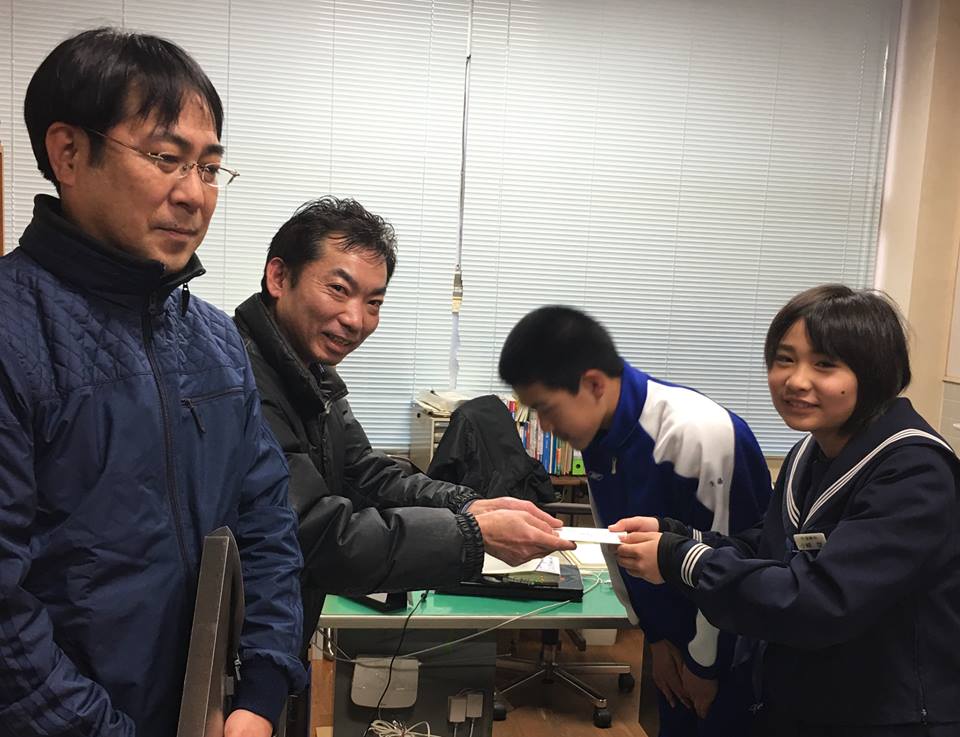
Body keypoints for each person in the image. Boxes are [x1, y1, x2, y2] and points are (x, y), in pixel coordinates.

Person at [0, 28, 306, 737]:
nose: (194, 195)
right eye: (166, 159)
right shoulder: (14, 331)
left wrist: (261, 689)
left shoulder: (216, 341)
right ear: (68, 152)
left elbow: (265, 522)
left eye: (210, 168)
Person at [613, 285, 960, 736]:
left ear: (873, 371)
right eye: (784, 359)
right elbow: (772, 547)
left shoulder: (914, 469)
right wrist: (682, 536)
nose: (796, 381)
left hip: (888, 717)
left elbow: (822, 600)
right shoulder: (810, 451)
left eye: (825, 364)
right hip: (804, 699)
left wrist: (682, 561)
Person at [233, 196, 575, 651]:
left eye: (373, 302)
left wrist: (469, 505)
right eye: (338, 289)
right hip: (242, 643)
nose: (356, 319)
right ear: (279, 277)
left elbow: (366, 473)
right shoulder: (239, 379)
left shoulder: (313, 374)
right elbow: (317, 536)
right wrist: (471, 536)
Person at [498, 306, 772, 736]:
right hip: (673, 639)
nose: (545, 427)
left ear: (593, 384)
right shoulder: (598, 435)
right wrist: (654, 636)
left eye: (547, 409)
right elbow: (616, 541)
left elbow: (743, 565)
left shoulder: (698, 433)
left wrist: (706, 665)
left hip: (729, 651)